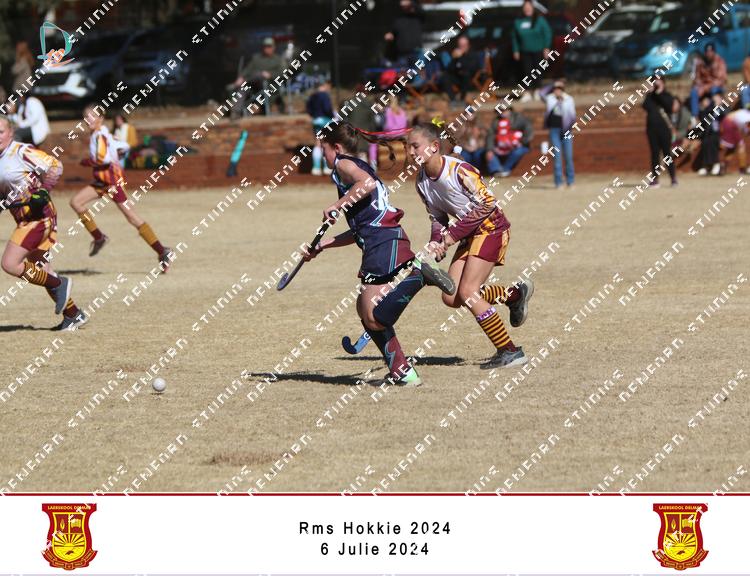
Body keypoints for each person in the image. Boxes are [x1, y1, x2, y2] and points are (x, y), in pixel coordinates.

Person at [302, 122, 455, 386]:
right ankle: (403, 373)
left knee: (375, 316)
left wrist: (338, 204)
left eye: (323, 149)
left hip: (383, 243)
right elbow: (360, 229)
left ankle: (419, 274)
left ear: (336, 147)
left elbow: (368, 184)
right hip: (384, 239)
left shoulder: (343, 164)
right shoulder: (355, 166)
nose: (323, 155)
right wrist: (322, 245)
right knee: (365, 310)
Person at [407, 120, 533, 369]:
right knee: (451, 296)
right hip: (470, 234)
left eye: (415, 146)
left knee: (468, 292)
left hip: (492, 228)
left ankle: (510, 351)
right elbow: (437, 218)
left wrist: (450, 237)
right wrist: (435, 243)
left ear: (434, 146)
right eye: (408, 147)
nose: (410, 152)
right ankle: (515, 295)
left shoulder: (459, 170)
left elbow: (487, 204)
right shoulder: (421, 182)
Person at [0, 115, 86, 330]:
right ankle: (73, 314)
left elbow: (55, 165)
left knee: (10, 264)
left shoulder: (21, 151)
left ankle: (60, 283)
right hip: (24, 219)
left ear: (11, 132)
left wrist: (44, 191)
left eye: (1, 131)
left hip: (39, 217)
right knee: (41, 268)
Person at [69, 104, 172, 269]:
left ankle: (162, 251)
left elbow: (102, 159)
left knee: (132, 217)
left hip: (111, 183)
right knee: (76, 202)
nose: (89, 119)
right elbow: (124, 146)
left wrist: (86, 162)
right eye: (86, 116)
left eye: (92, 115)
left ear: (101, 118)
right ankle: (99, 237)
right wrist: (117, 153)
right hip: (101, 182)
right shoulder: (103, 133)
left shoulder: (99, 135)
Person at [512, 0, 552, 102]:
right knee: (526, 72)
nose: (527, 9)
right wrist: (515, 50)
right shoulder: (518, 21)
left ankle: (537, 91)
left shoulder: (540, 20)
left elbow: (547, 33)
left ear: (533, 8)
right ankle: (527, 92)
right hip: (524, 51)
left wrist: (546, 47)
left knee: (538, 71)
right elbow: (514, 37)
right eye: (525, 7)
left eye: (529, 7)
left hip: (538, 50)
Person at [233, 38, 286, 115]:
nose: (267, 48)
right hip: (254, 84)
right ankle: (236, 111)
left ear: (274, 47)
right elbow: (248, 69)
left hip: (271, 85)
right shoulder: (256, 58)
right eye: (265, 46)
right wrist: (241, 77)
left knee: (258, 76)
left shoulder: (278, 59)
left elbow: (283, 73)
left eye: (269, 46)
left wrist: (270, 74)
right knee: (243, 86)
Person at [642, 75, 676, 187]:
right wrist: (650, 93)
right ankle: (655, 179)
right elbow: (645, 106)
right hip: (652, 129)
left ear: (663, 83)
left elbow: (668, 106)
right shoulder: (650, 96)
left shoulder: (667, 95)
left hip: (664, 129)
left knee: (667, 154)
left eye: (659, 81)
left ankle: (673, 178)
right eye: (654, 81)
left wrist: (659, 93)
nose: (656, 83)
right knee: (654, 154)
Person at [542, 80, 575, 188]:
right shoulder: (550, 98)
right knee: (557, 157)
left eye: (559, 89)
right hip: (554, 130)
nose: (557, 91)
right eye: (555, 89)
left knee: (568, 157)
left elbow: (573, 116)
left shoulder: (569, 99)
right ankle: (558, 182)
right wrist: (552, 84)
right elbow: (541, 93)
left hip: (566, 130)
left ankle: (570, 181)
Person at [485, 107, 533, 177]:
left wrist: (521, 142)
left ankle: (505, 169)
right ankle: (496, 170)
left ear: (509, 110)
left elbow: (529, 131)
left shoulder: (519, 119)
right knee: (489, 153)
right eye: (499, 111)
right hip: (500, 147)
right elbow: (490, 136)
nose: (501, 113)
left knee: (517, 152)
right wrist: (489, 149)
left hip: (519, 145)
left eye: (503, 110)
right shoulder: (496, 121)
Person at [439, 36, 480, 106]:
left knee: (466, 74)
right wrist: (454, 59)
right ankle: (453, 99)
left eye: (464, 45)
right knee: (445, 76)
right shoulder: (457, 55)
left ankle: (462, 99)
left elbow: (472, 68)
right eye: (460, 45)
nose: (462, 47)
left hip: (469, 78)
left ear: (468, 45)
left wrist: (461, 57)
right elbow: (449, 69)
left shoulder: (473, 54)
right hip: (457, 77)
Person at [690, 43, 727, 117]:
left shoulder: (720, 61)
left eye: (711, 51)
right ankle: (695, 116)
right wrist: (699, 86)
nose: (709, 53)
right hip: (703, 87)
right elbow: (697, 78)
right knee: (694, 92)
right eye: (707, 52)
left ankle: (717, 113)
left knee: (714, 90)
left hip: (716, 87)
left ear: (714, 52)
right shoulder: (700, 62)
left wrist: (705, 88)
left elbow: (720, 80)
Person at [306, 82, 335, 176]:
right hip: (325, 120)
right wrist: (332, 115)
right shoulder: (324, 95)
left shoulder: (312, 96)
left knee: (318, 143)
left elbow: (308, 109)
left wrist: (314, 116)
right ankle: (327, 167)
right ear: (323, 86)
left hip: (316, 120)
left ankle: (316, 168)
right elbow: (327, 108)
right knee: (326, 144)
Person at [384, 0, 425, 65]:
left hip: (417, 51)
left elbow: (421, 11)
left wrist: (411, 3)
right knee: (403, 70)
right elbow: (393, 32)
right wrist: (390, 35)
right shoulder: (397, 20)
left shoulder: (417, 17)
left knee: (419, 69)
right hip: (402, 53)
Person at [696, 93, 723, 176]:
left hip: (720, 133)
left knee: (713, 140)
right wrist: (713, 107)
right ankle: (706, 166)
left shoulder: (723, 108)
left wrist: (718, 107)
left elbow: (724, 116)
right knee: (706, 142)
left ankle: (716, 164)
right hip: (709, 134)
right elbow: (704, 120)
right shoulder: (705, 111)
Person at [719, 108, 750, 174]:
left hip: (727, 123)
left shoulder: (743, 111)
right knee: (741, 146)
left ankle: (723, 166)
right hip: (731, 125)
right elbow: (746, 130)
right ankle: (742, 169)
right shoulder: (748, 117)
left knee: (731, 149)